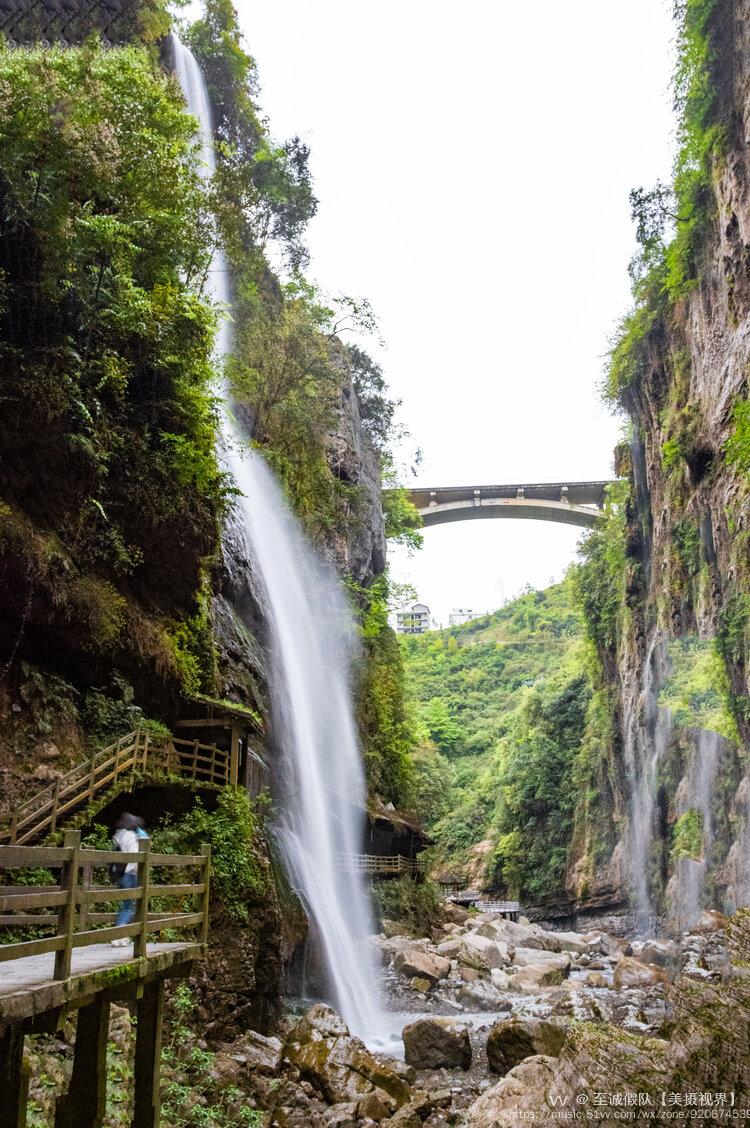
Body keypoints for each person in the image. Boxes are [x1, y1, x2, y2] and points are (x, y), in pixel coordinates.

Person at [110, 812, 148, 947]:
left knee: (125, 904)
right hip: (131, 873)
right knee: (128, 905)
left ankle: (122, 935)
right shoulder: (134, 836)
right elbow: (145, 848)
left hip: (119, 874)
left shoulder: (118, 835)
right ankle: (119, 934)